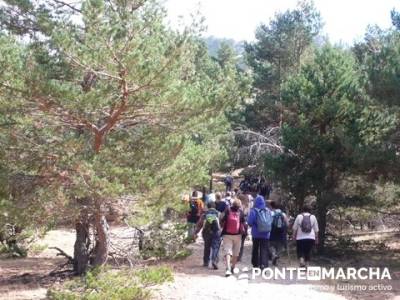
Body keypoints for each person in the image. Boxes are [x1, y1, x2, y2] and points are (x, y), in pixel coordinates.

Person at [220, 198, 246, 277]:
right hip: (238, 235)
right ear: (239, 205)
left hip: (227, 234)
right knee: (236, 253)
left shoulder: (227, 210)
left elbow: (222, 219)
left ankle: (227, 268)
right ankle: (233, 267)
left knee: (228, 252)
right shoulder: (241, 212)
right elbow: (243, 223)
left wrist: (221, 227)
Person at [247, 194, 272, 269]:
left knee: (255, 248)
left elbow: (250, 222)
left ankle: (255, 263)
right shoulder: (268, 210)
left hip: (256, 233)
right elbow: (271, 220)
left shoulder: (253, 211)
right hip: (266, 233)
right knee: (264, 248)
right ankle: (263, 264)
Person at [194, 201, 221, 269]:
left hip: (206, 233)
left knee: (207, 247)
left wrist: (196, 232)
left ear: (208, 207)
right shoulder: (219, 213)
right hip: (216, 232)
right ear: (214, 206)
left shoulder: (205, 214)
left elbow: (200, 224)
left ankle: (206, 262)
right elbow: (222, 224)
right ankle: (214, 261)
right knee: (215, 247)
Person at [269, 201, 289, 266]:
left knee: (270, 245)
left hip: (272, 231)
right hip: (281, 232)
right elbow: (287, 224)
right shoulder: (283, 214)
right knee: (280, 246)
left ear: (271, 206)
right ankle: (276, 257)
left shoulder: (271, 213)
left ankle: (274, 254)